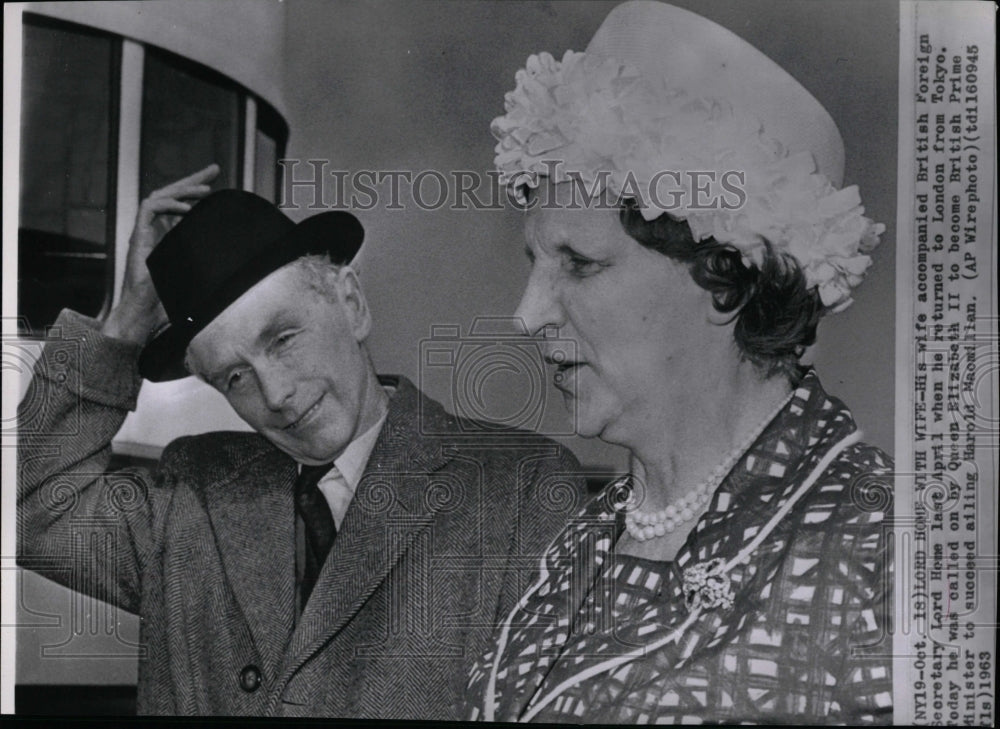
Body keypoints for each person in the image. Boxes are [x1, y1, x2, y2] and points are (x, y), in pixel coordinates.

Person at [17, 166, 584, 717]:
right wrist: (124, 326)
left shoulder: (517, 487)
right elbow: (25, 509)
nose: (278, 394)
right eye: (234, 377)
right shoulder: (188, 491)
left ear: (352, 304)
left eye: (284, 339)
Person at [465, 1, 892, 723]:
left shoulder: (878, 551)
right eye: (536, 262)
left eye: (580, 263)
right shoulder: (589, 532)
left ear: (724, 275)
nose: (527, 313)